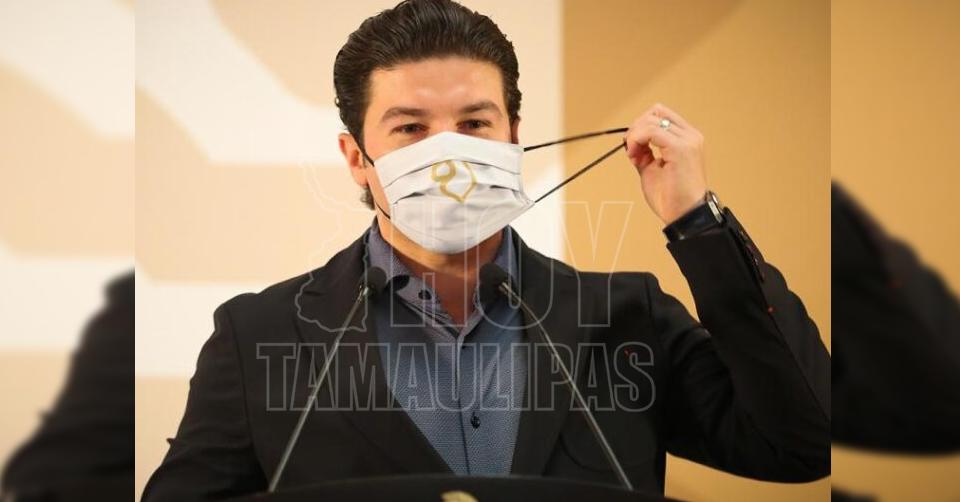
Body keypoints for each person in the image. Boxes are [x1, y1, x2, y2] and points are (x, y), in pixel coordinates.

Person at [142, 1, 830, 499]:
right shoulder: (259, 335)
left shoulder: (628, 318)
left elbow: (802, 444)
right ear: (357, 158)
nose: (448, 153)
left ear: (513, 137)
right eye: (411, 128)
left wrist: (697, 222)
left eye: (474, 122)